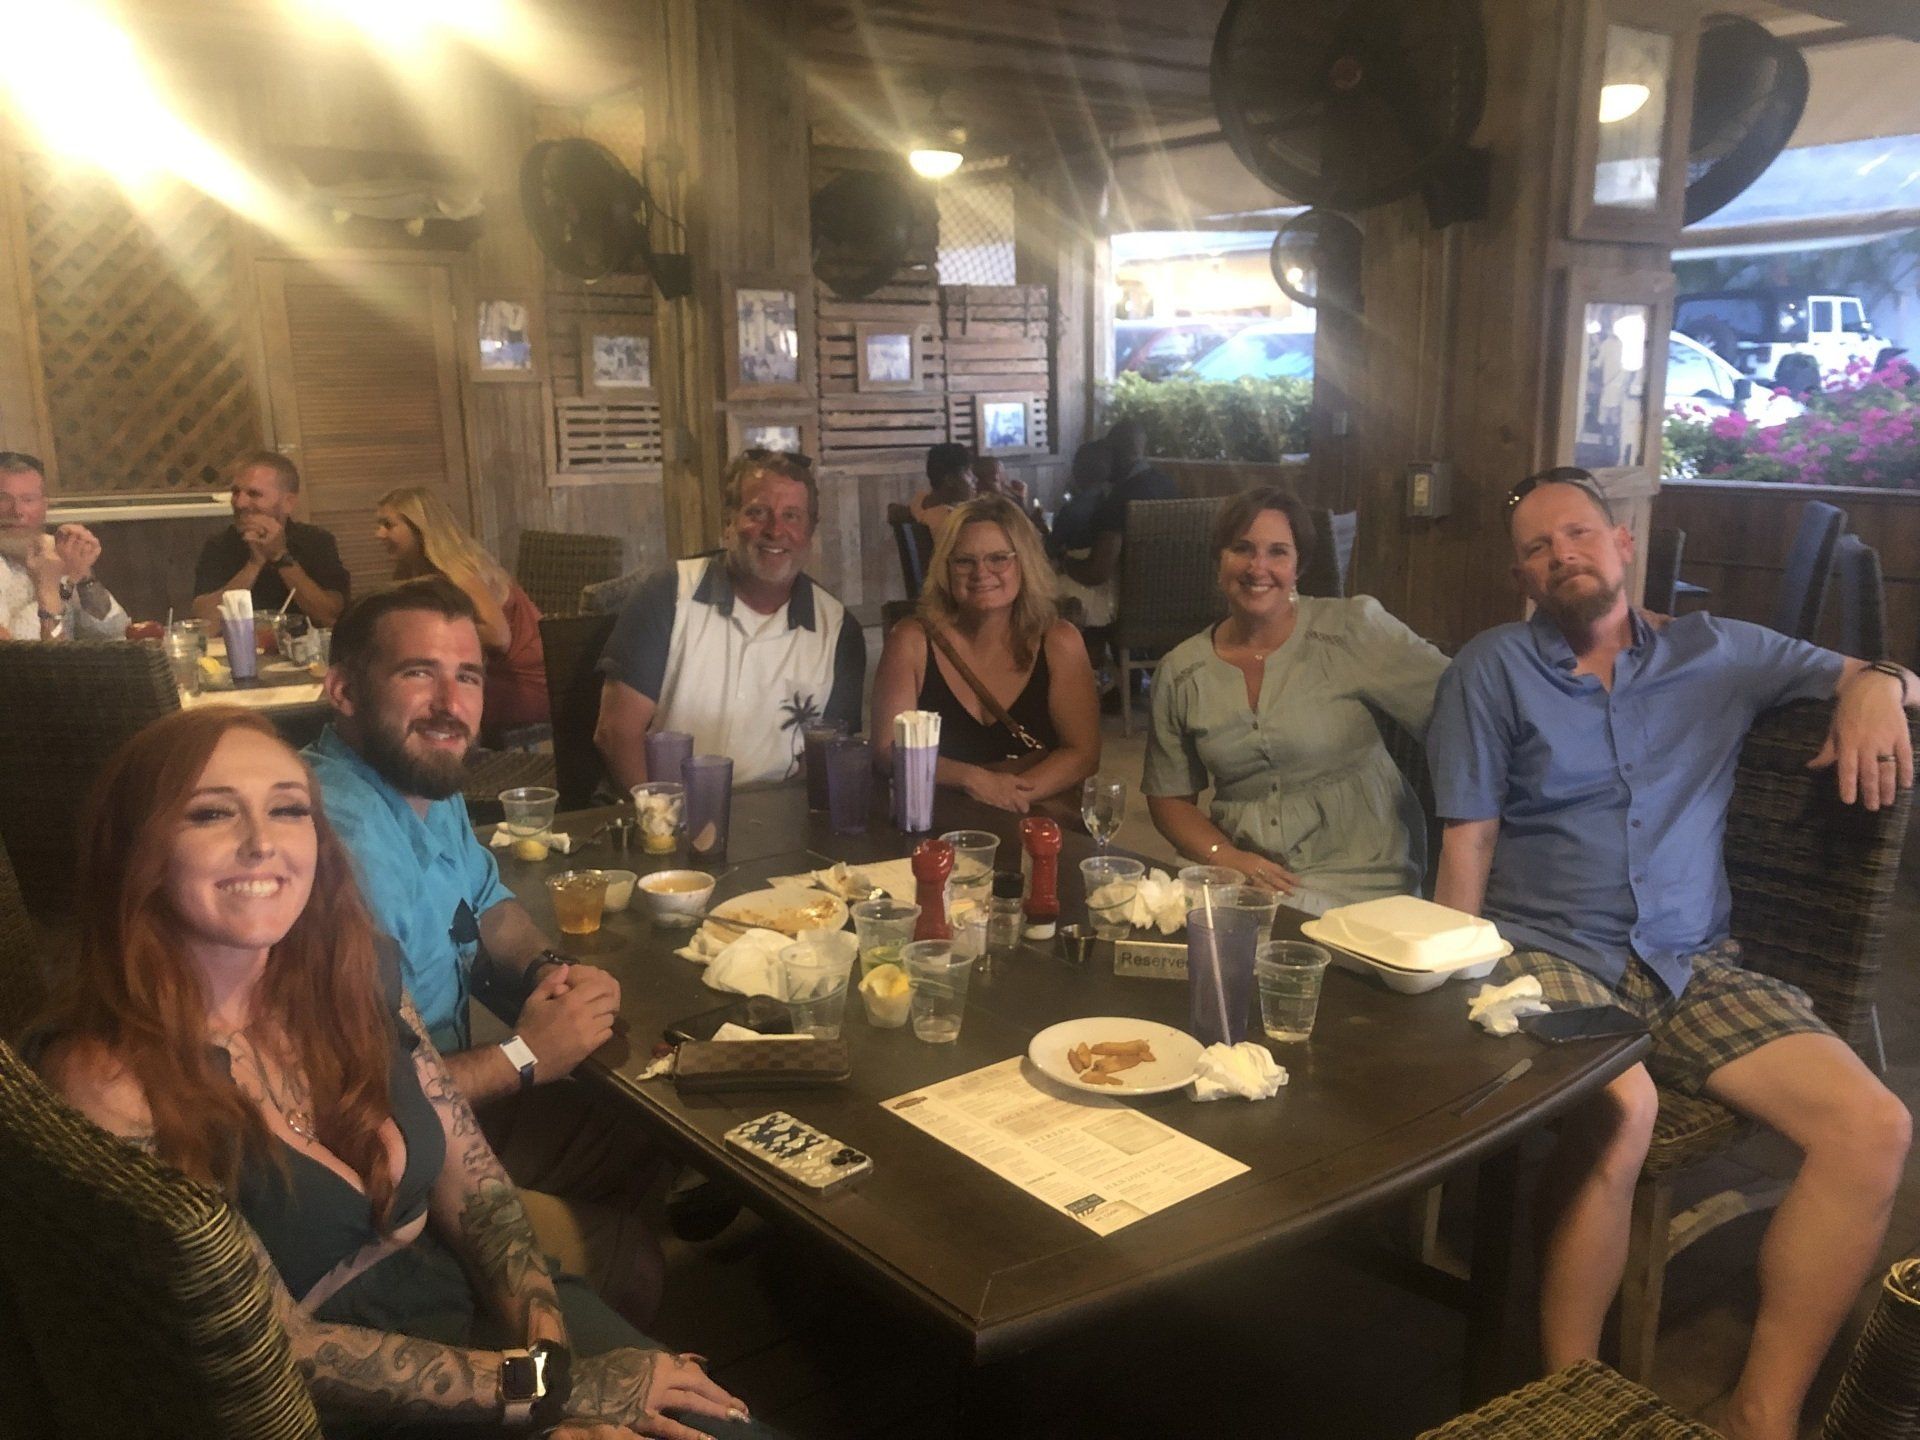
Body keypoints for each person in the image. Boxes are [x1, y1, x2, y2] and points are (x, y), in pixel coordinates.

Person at [34, 706, 771, 1440]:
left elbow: (476, 1186)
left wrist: (548, 1350)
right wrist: (546, 1395)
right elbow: (268, 1347)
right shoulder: (109, 1083)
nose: (262, 843)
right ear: (138, 851)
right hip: (327, 1410)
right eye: (211, 813)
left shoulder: (356, 976)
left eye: (288, 810)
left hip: (462, 1315)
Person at [1428, 467, 1916, 1440]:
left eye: (1578, 533)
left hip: (1692, 962)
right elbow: (1467, 844)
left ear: (1623, 545)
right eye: (1537, 547)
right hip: (1546, 955)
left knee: (1874, 1127)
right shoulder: (1491, 668)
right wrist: (1449, 994)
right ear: (1522, 577)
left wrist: (1881, 683)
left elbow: (1872, 671)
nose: (1561, 555)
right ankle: (1569, 1398)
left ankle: (1760, 1415)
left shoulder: (1721, 652)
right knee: (1627, 1111)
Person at [304, 579, 663, 1327]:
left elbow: (489, 902)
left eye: (467, 676)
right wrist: (526, 1057)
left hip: (452, 1098)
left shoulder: (419, 775)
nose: (450, 704)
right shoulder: (341, 842)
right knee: (631, 1256)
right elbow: (363, 1100)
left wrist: (545, 969)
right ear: (343, 691)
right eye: (418, 673)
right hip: (385, 1161)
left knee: (649, 1122)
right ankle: (553, 1351)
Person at [1144, 487, 1447, 912]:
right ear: (1219, 560)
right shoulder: (1181, 671)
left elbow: (1463, 705)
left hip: (1363, 877)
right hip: (1244, 875)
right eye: (1242, 549)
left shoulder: (1353, 630)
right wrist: (1226, 857)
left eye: (1278, 552)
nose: (1258, 567)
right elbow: (1169, 799)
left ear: (1298, 566)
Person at [596, 451, 865, 789]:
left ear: (810, 532)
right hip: (663, 804)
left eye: (792, 516)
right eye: (757, 513)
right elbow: (616, 732)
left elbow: (826, 759)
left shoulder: (839, 630)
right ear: (728, 523)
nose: (775, 530)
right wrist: (662, 812)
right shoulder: (666, 595)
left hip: (773, 810)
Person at [871, 494, 1100, 813]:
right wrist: (972, 780)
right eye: (964, 561)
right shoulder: (911, 641)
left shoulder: (1060, 642)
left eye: (998, 558)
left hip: (1032, 816)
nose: (981, 572)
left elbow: (1083, 754)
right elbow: (887, 750)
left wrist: (1009, 795)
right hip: (939, 818)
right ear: (945, 568)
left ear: (1024, 563)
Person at [375, 486, 550, 744]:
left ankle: (440, 762)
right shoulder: (411, 571)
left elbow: (498, 636)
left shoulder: (457, 572)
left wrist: (437, 628)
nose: (379, 534)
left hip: (525, 685)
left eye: (388, 525)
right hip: (490, 675)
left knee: (405, 700)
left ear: (420, 528)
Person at [191, 451, 349, 627]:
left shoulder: (316, 541)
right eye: (235, 492)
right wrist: (254, 564)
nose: (240, 503)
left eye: (254, 494)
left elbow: (331, 617)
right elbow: (205, 625)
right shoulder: (220, 545)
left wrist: (280, 557)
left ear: (288, 503)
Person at [0, 451, 128, 641]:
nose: (17, 511)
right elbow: (17, 653)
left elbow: (113, 630)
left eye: (28, 499)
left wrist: (83, 575)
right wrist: (51, 590)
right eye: (3, 499)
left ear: (44, 506)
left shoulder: (52, 555)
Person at [1057, 419, 1177, 600]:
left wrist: (1063, 562)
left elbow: (1097, 573)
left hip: (1129, 598)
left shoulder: (1120, 499)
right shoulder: (1168, 485)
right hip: (1171, 591)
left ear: (1114, 452)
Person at [1049, 438, 1117, 629]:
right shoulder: (1112, 500)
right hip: (1112, 588)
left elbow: (1050, 549)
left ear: (1077, 471)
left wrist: (1040, 528)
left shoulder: (1073, 509)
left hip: (1080, 580)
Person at [910, 442, 975, 532]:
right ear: (950, 480)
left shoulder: (918, 501)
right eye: (968, 472)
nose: (974, 479)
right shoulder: (952, 520)